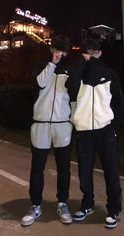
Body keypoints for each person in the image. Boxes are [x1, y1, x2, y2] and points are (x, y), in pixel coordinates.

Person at [67, 36, 124, 229]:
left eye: (94, 52)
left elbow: (118, 102)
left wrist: (113, 126)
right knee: (84, 172)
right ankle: (87, 204)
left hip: (104, 130)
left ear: (100, 52)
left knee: (111, 172)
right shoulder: (78, 74)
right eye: (86, 53)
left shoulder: (109, 73)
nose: (90, 57)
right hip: (84, 131)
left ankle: (114, 209)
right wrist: (81, 64)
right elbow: (70, 87)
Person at [21, 35, 73, 226]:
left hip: (62, 125)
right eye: (56, 49)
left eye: (63, 50)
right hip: (41, 124)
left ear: (67, 51)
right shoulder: (42, 65)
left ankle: (63, 203)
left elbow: (74, 96)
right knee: (37, 168)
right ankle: (35, 205)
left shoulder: (70, 69)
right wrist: (52, 64)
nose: (59, 53)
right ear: (51, 49)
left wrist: (72, 122)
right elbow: (39, 84)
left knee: (64, 168)